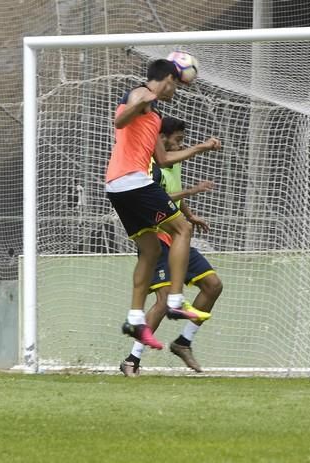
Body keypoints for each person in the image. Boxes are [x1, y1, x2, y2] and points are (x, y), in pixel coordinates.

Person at [105, 59, 220, 350]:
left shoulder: (154, 116)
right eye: (177, 86)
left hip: (117, 186)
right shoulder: (141, 94)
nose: (176, 92)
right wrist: (145, 99)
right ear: (168, 78)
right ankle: (176, 301)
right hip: (133, 181)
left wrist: (201, 148)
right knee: (182, 229)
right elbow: (119, 121)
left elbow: (165, 159)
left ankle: (134, 318)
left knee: (150, 249)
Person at [120, 117, 223, 377]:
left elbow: (171, 196)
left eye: (182, 140)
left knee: (213, 286)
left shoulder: (173, 164)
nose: (180, 145)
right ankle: (132, 359)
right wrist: (192, 192)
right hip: (159, 240)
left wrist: (189, 215)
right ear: (161, 138)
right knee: (164, 302)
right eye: (177, 140)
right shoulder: (152, 165)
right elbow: (160, 198)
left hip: (179, 238)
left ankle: (183, 342)